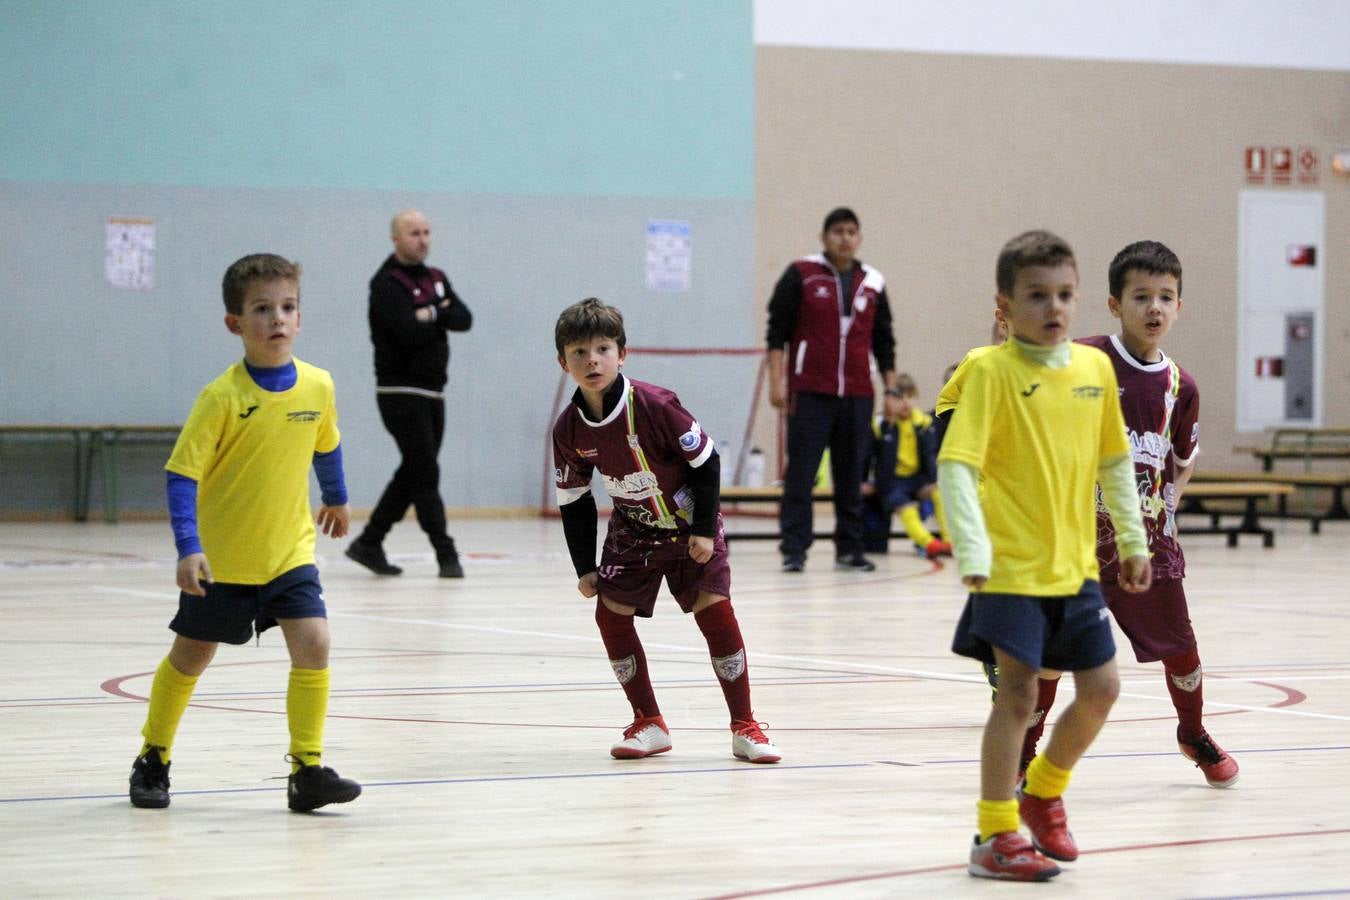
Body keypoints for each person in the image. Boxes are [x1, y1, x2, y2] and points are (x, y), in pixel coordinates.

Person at [938, 231, 1151, 881]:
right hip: (1007, 567)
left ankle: (1044, 789)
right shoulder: (989, 371)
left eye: (1064, 295)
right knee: (1021, 696)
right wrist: (971, 548)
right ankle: (996, 833)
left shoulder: (1093, 370)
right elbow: (956, 466)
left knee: (1103, 689)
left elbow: (1115, 463)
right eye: (1037, 296)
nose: (1053, 308)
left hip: (1075, 568)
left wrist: (1134, 540)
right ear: (1006, 304)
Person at [129, 253, 361, 812]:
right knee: (191, 657)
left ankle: (306, 769)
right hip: (225, 562)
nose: (277, 318)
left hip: (289, 555)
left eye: (288, 307)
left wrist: (336, 496)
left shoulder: (318, 386)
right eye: (262, 309)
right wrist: (189, 548)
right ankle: (153, 756)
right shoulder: (221, 398)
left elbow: (326, 444)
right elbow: (181, 476)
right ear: (235, 323)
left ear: (300, 318)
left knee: (315, 643)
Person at [1010, 241, 1238, 788]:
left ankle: (1193, 732)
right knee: (1052, 661)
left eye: (1165, 297)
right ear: (1115, 304)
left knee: (1182, 649)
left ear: (1179, 305)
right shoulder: (1082, 360)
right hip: (1077, 545)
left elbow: (1180, 462)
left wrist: (1169, 512)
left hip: (1147, 549)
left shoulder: (1182, 387)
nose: (1153, 308)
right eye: (1141, 296)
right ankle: (1025, 752)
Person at [551, 298, 781, 764]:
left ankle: (746, 726)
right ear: (563, 362)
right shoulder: (569, 429)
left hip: (688, 528)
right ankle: (649, 722)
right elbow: (574, 499)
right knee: (609, 617)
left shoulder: (655, 405)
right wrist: (585, 567)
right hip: (632, 533)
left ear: (623, 354)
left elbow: (707, 460)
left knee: (714, 614)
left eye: (602, 349)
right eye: (579, 352)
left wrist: (701, 530)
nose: (591, 360)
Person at [765, 207, 898, 573]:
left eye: (852, 231)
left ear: (859, 238)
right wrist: (778, 382)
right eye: (838, 231)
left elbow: (884, 340)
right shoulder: (801, 274)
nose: (845, 238)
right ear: (824, 237)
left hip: (857, 393)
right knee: (801, 474)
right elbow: (777, 332)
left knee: (852, 474)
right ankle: (794, 549)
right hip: (810, 390)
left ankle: (850, 548)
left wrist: (890, 390)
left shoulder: (873, 282)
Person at [346, 209, 473, 579]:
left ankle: (369, 542)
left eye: (427, 232)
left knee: (415, 470)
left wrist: (427, 314)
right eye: (414, 233)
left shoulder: (437, 278)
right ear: (396, 239)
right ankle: (446, 554)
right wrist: (439, 314)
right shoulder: (386, 282)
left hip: (434, 392)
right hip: (399, 391)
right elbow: (405, 331)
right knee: (425, 471)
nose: (423, 239)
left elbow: (464, 318)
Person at [860, 373, 952, 559]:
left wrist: (933, 480)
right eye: (899, 398)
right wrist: (863, 481)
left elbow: (930, 455)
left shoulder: (924, 423)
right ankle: (929, 543)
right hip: (893, 481)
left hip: (917, 479)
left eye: (909, 397)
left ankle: (950, 540)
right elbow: (866, 456)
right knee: (905, 507)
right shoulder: (882, 425)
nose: (905, 403)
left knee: (939, 491)